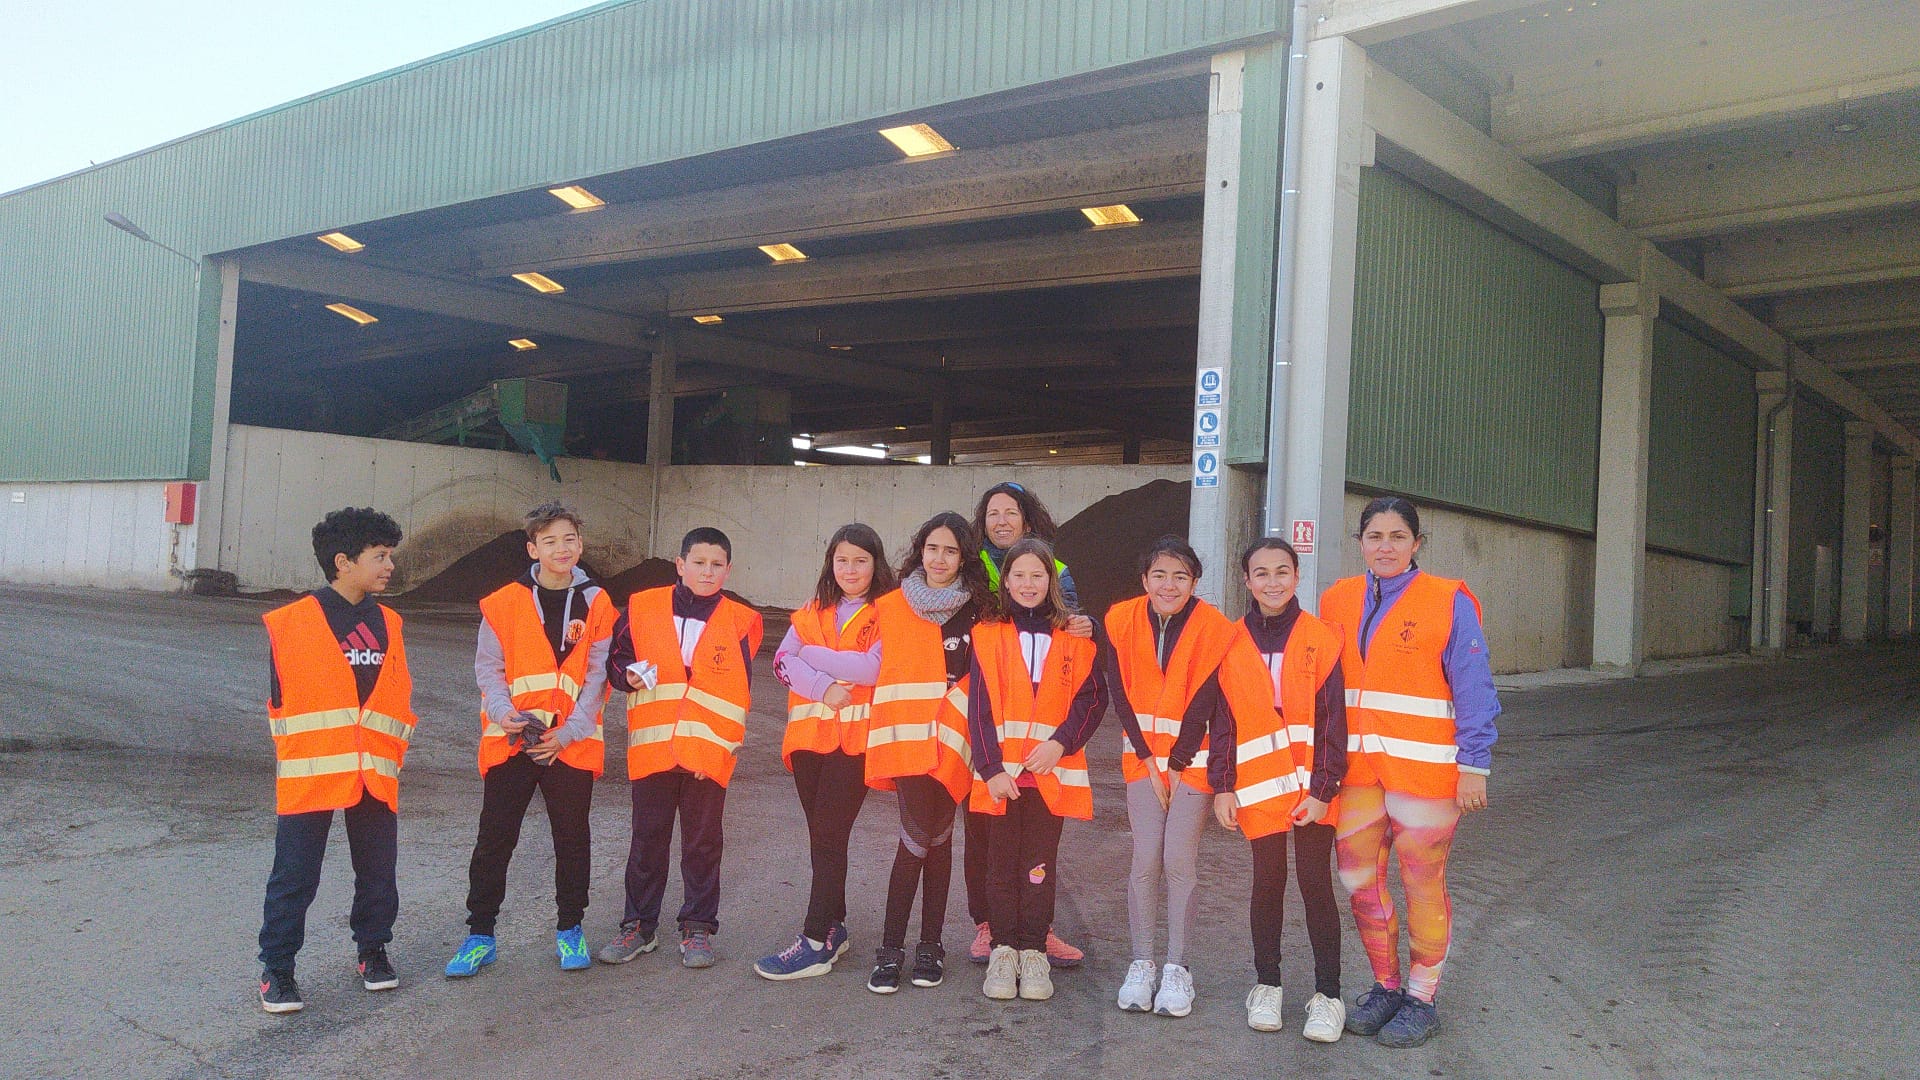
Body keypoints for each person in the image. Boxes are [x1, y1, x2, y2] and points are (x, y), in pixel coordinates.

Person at [1319, 496, 1499, 1048]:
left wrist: (1475, 765)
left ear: (1416, 544)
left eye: (1398, 537)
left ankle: (1422, 995)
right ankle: (1386, 984)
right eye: (1375, 536)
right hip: (1358, 774)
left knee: (1422, 884)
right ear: (1361, 543)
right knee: (1359, 882)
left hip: (1426, 776)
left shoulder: (1449, 601)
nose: (1386, 547)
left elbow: (1474, 686)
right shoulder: (1337, 599)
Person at [445, 502, 617, 979]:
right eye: (549, 541)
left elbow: (599, 676)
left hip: (570, 744)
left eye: (569, 540)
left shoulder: (599, 602)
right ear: (532, 548)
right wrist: (504, 715)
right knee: (494, 841)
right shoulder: (503, 602)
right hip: (512, 741)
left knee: (573, 839)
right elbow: (489, 668)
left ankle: (570, 929)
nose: (561, 549)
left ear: (580, 545)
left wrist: (568, 733)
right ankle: (480, 935)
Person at [255, 507, 415, 1014]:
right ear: (343, 562)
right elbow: (284, 703)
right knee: (296, 876)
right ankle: (276, 969)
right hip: (314, 770)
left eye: (390, 555)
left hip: (374, 769)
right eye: (380, 556)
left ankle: (373, 951)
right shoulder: (292, 623)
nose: (390, 565)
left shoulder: (389, 620)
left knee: (377, 870)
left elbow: (393, 696)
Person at [597, 528, 765, 970]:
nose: (707, 572)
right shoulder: (642, 606)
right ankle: (638, 926)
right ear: (680, 564)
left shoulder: (741, 620)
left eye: (716, 565)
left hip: (705, 756)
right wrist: (626, 676)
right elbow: (615, 661)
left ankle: (697, 929)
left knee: (703, 844)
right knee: (647, 840)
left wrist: (717, 752)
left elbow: (737, 692)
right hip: (653, 750)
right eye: (698, 562)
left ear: (728, 570)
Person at [1102, 536, 1241, 1018]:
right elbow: (1117, 693)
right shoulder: (1119, 620)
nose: (1169, 584)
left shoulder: (1215, 628)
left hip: (1193, 763)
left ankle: (1177, 968)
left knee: (1179, 861)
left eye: (1180, 576)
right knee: (1144, 859)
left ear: (1195, 583)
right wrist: (1147, 760)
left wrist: (1178, 765)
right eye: (1159, 575)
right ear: (1144, 580)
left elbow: (1207, 700)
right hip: (1141, 761)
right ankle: (1142, 962)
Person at [1218, 537, 1348, 1041]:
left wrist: (1324, 787)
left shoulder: (1323, 637)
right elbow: (1222, 721)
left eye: (1282, 571)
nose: (1272, 582)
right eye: (1261, 573)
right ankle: (1267, 985)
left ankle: (1328, 995)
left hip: (1314, 787)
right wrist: (1224, 786)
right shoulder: (1230, 642)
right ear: (1246, 582)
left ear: (1297, 576)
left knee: (1315, 884)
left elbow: (1336, 720)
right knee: (1267, 883)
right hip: (1256, 787)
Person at [968, 538, 1106, 1002]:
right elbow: (979, 707)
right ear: (1006, 581)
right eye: (1020, 575)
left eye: (1038, 576)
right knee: (1000, 866)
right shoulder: (987, 634)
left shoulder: (1075, 638)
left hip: (1050, 775)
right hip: (1002, 778)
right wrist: (989, 768)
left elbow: (1092, 699)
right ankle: (1004, 950)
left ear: (1052, 582)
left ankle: (1033, 949)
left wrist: (1060, 745)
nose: (1029, 584)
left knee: (1039, 866)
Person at [756, 524, 895, 980]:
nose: (850, 569)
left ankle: (815, 940)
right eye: (842, 560)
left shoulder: (888, 612)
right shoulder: (812, 609)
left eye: (860, 560)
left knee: (830, 836)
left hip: (853, 745)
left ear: (876, 564)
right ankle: (834, 926)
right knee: (822, 837)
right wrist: (822, 685)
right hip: (809, 743)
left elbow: (872, 667)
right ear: (830, 564)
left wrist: (811, 656)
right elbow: (780, 661)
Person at [862, 512, 993, 993]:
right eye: (932, 548)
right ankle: (893, 949)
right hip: (908, 739)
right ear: (920, 551)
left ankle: (928, 946)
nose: (940, 559)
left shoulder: (981, 608)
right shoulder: (891, 606)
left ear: (964, 557)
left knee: (939, 838)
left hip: (957, 742)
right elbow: (865, 661)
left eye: (951, 551)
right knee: (918, 837)